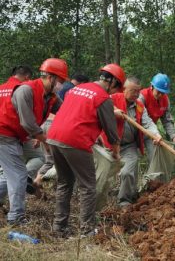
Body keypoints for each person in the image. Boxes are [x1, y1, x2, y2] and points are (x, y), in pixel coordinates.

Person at [47, 63, 122, 237]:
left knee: (65, 182)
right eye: (116, 87)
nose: (114, 92)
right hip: (75, 140)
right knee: (88, 187)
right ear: (112, 82)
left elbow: (78, 116)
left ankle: (59, 228)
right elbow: (111, 131)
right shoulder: (103, 97)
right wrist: (116, 152)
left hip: (54, 136)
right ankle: (87, 230)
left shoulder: (77, 89)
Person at [0, 58, 67, 226]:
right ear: (50, 77)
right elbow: (28, 123)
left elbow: (67, 111)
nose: (61, 85)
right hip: (4, 135)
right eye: (60, 81)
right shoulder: (26, 91)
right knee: (19, 175)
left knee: (15, 174)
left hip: (19, 136)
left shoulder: (50, 96)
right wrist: (43, 139)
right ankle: (16, 217)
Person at [102, 76, 161, 207]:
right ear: (124, 89)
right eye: (133, 91)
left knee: (127, 172)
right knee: (102, 175)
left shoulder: (140, 106)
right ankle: (99, 201)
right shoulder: (112, 99)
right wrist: (113, 111)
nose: (136, 94)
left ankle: (124, 201)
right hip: (109, 145)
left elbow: (148, 122)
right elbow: (98, 107)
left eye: (138, 91)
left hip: (129, 146)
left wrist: (156, 134)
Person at [138, 73, 175, 162]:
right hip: (136, 131)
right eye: (158, 92)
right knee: (132, 161)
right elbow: (141, 117)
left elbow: (167, 121)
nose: (160, 95)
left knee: (155, 157)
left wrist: (173, 136)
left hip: (151, 133)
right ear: (152, 86)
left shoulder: (165, 100)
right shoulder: (142, 96)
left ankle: (153, 175)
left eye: (163, 92)